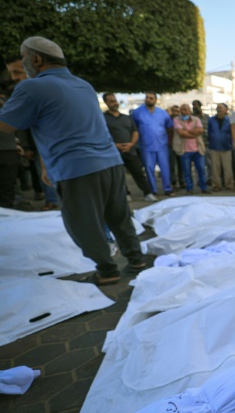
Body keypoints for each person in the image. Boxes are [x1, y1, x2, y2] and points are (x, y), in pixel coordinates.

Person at [0, 36, 145, 285]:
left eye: (23, 59)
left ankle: (107, 270)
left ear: (36, 59)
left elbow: (6, 125)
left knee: (84, 224)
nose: (22, 66)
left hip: (77, 169)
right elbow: (62, 125)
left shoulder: (31, 87)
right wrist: (46, 164)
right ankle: (137, 260)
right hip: (110, 162)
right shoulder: (84, 85)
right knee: (119, 216)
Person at [5, 54, 59, 210]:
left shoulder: (36, 90)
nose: (14, 78)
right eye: (12, 74)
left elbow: (8, 123)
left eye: (18, 72)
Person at [102, 93, 155, 202]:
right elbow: (101, 135)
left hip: (130, 150)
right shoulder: (102, 119)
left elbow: (135, 132)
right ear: (106, 103)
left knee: (138, 173)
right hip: (114, 152)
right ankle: (125, 194)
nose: (114, 103)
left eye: (115, 100)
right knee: (119, 175)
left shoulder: (126, 118)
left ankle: (147, 193)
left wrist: (131, 144)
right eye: (111, 101)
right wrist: (115, 145)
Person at [132, 91, 175, 196]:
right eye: (147, 97)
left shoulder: (163, 113)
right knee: (149, 168)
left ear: (155, 100)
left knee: (165, 168)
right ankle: (153, 190)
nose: (148, 99)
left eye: (151, 98)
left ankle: (167, 188)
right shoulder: (137, 112)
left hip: (161, 145)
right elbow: (134, 127)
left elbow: (169, 127)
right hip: (146, 145)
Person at [173, 103, 208, 194]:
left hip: (198, 149)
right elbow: (181, 133)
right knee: (187, 171)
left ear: (189, 111)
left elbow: (200, 130)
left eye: (185, 109)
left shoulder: (196, 119)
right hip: (184, 150)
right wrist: (193, 133)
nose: (183, 111)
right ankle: (189, 189)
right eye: (182, 109)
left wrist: (186, 131)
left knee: (201, 169)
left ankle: (203, 187)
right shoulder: (176, 120)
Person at [207, 103, 235, 191]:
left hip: (226, 147)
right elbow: (209, 132)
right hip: (214, 147)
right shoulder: (211, 120)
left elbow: (232, 133)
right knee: (215, 169)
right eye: (218, 108)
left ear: (226, 110)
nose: (219, 110)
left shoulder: (230, 120)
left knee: (228, 168)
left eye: (221, 108)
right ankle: (216, 185)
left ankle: (229, 184)